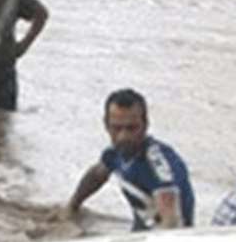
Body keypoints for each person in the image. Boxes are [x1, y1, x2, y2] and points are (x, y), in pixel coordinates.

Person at [66, 88, 196, 231]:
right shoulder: (114, 153)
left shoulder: (159, 166)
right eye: (116, 128)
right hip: (142, 229)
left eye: (131, 128)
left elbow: (171, 222)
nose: (124, 137)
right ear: (106, 125)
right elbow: (97, 175)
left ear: (145, 125)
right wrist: (72, 206)